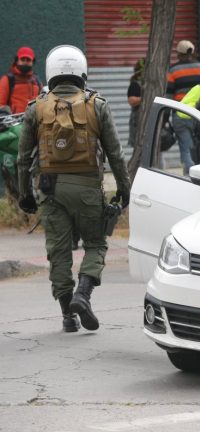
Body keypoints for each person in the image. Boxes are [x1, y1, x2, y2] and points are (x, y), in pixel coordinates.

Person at [16, 45, 132, 332]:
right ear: (82, 71)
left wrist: (25, 195)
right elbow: (115, 154)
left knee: (58, 252)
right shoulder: (98, 105)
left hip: (49, 188)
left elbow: (22, 158)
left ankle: (68, 315)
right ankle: (83, 293)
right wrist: (124, 187)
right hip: (87, 188)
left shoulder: (36, 108)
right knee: (95, 244)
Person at [166, 40, 200, 175]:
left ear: (179, 54)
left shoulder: (173, 70)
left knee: (186, 147)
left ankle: (189, 175)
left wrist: (165, 117)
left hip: (181, 114)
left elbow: (169, 96)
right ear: (192, 52)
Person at [0, 46, 43, 114]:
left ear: (33, 62)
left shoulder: (37, 81)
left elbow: (42, 103)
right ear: (17, 60)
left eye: (28, 60)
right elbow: (1, 105)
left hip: (34, 122)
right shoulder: (7, 80)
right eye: (22, 59)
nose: (25, 62)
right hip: (14, 122)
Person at [126, 58, 144, 148]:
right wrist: (146, 98)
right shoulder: (135, 84)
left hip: (148, 118)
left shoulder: (152, 83)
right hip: (138, 119)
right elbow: (131, 100)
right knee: (139, 146)